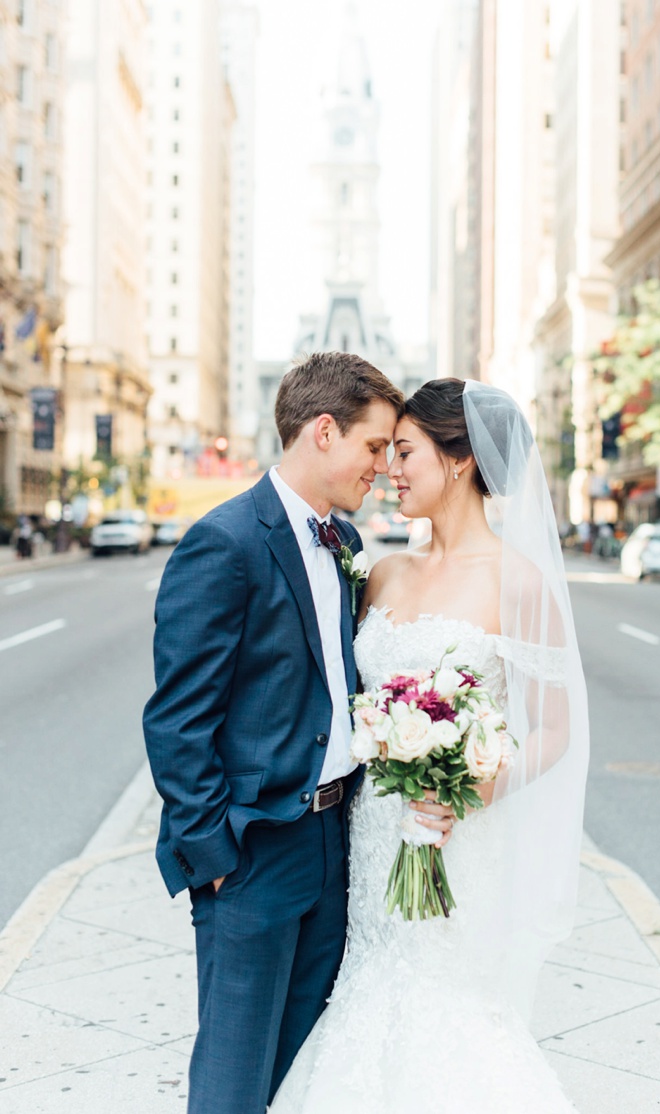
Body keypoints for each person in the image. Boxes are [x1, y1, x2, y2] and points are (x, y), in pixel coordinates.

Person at [269, 378, 588, 1112]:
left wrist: (479, 784)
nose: (389, 469)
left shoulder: (519, 582)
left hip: (460, 840)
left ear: (460, 461)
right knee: (368, 995)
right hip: (374, 839)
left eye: (404, 451)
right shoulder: (381, 575)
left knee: (451, 1017)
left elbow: (556, 729)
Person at [142, 352, 408, 1114]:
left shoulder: (346, 546)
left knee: (304, 1073)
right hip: (252, 852)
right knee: (234, 1079)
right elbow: (177, 718)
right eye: (374, 446)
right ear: (324, 432)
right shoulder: (225, 542)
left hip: (333, 845)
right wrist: (215, 856)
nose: (381, 467)